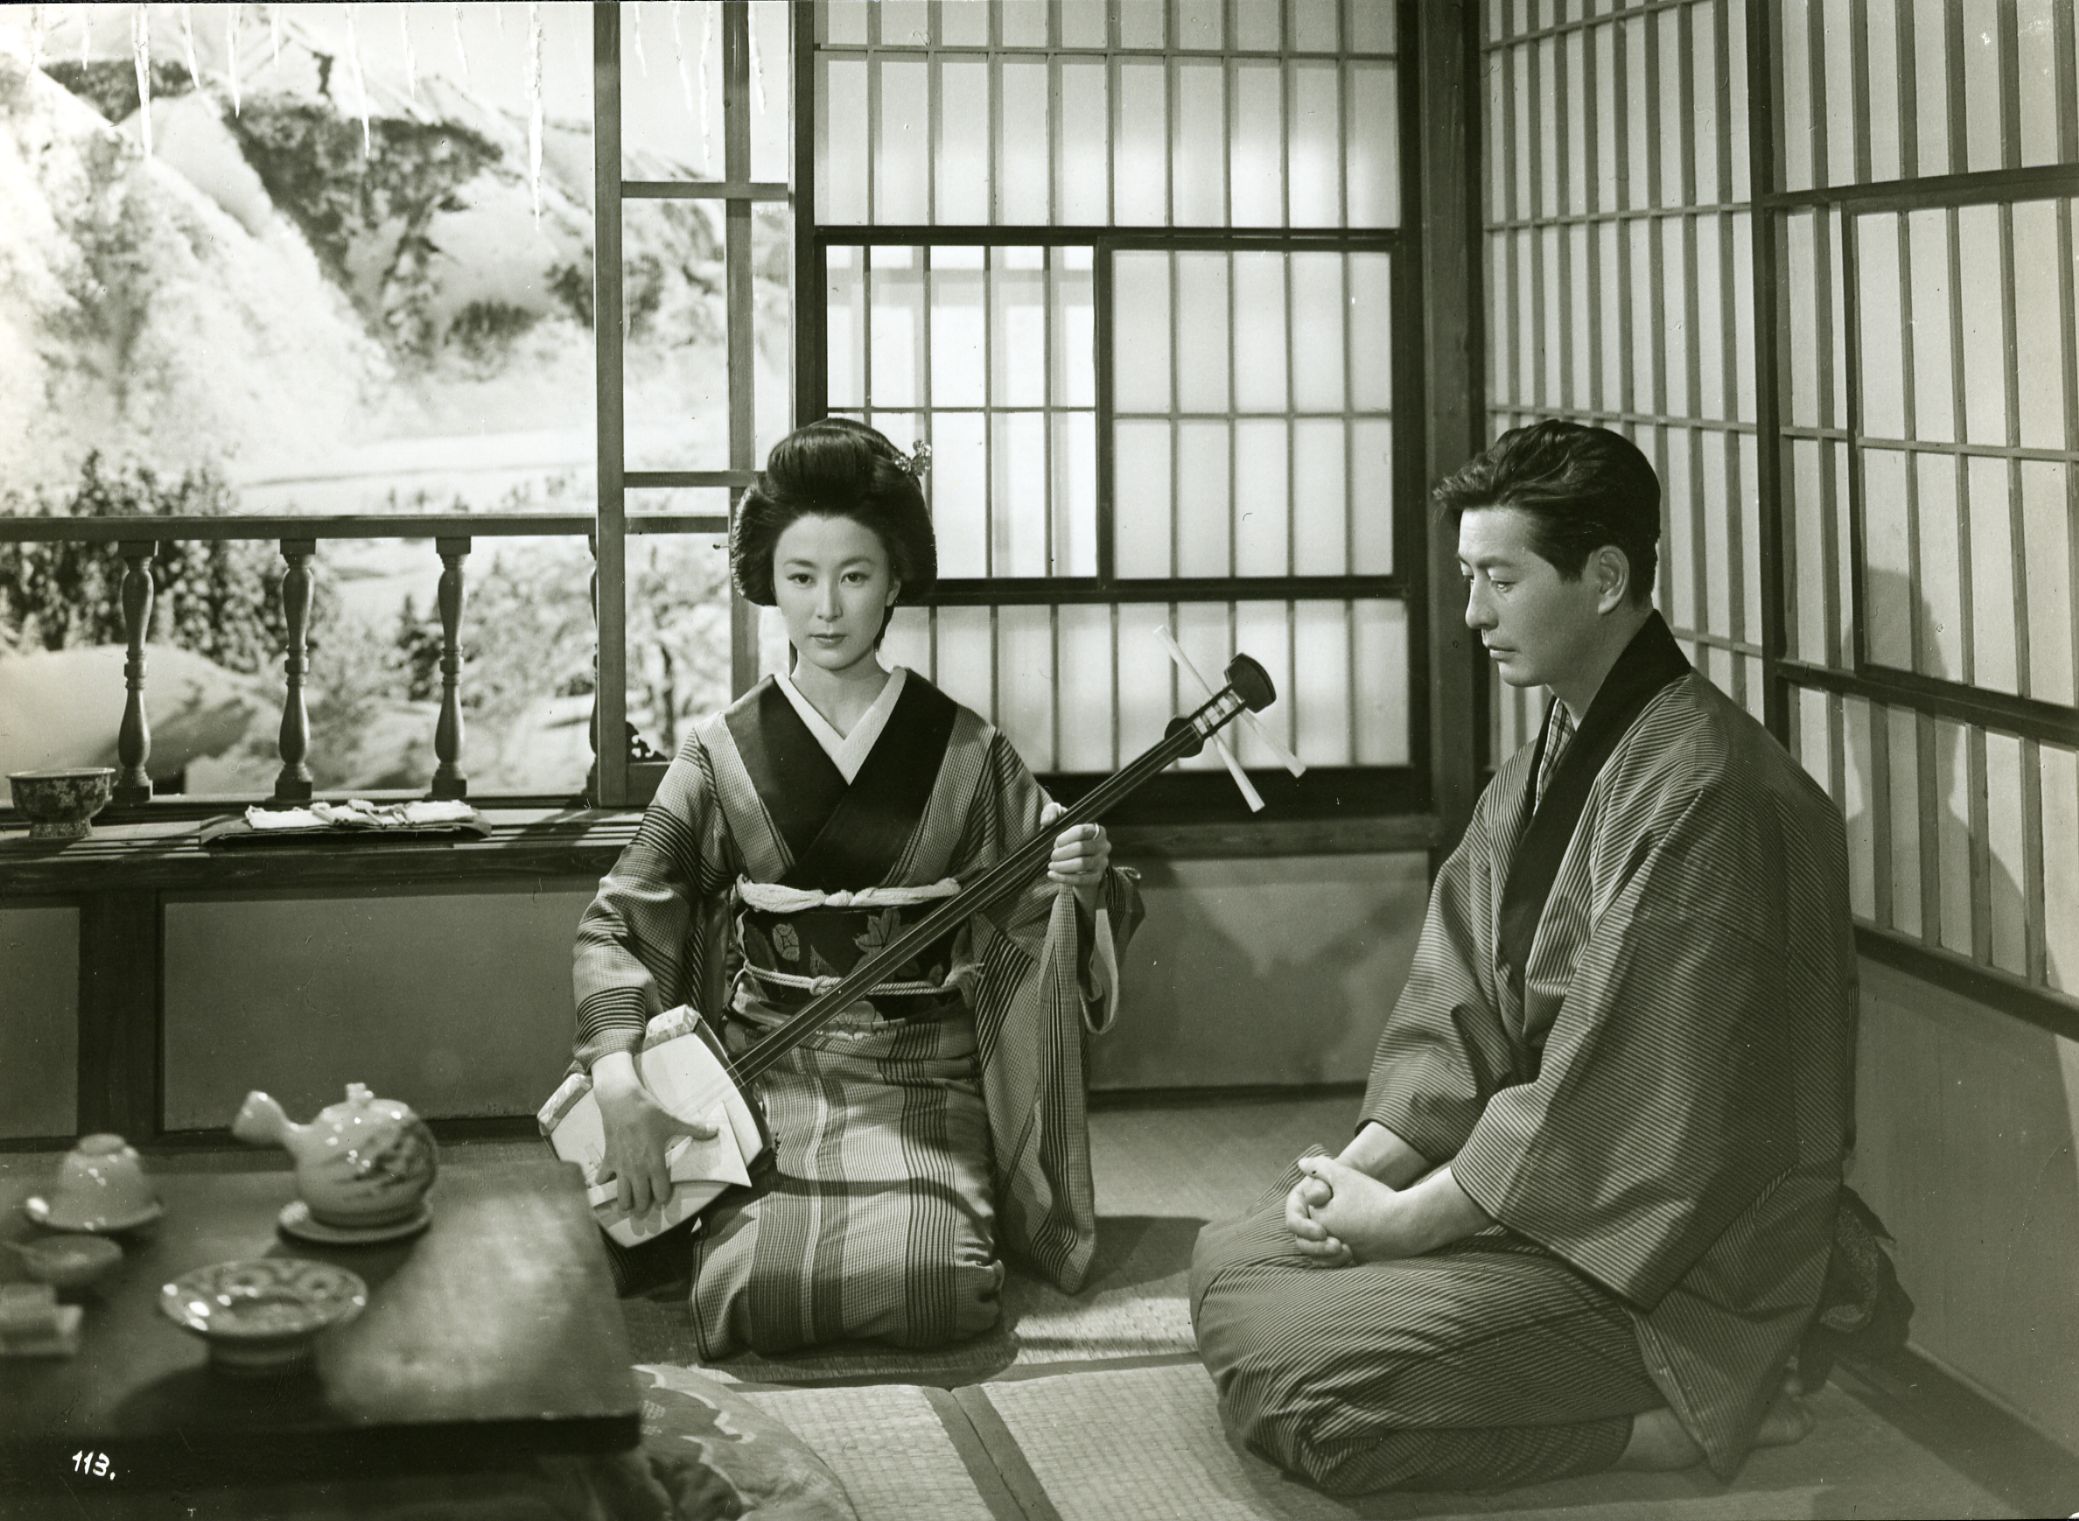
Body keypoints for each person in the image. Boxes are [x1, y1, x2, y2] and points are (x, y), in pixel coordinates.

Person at [1189, 420, 1859, 1493]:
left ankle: (1672, 1422)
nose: (1472, 613)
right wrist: (1358, 1181)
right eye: (1468, 576)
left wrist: (1404, 1224)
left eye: (1499, 579)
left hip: (1669, 1259)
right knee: (1232, 1257)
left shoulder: (1712, 792)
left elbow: (1626, 1099)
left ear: (1605, 578)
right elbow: (1454, 1004)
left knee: (1309, 1388)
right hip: (1541, 1196)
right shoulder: (1549, 753)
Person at [572, 418, 1141, 1358]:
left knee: (935, 1283)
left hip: (921, 1072)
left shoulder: (964, 747)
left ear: (894, 582)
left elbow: (1036, 902)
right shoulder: (719, 753)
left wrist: (1077, 881)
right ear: (768, 582)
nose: (826, 609)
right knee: (750, 1290)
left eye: (854, 576)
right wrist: (617, 1074)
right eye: (800, 578)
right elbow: (623, 921)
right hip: (769, 1070)